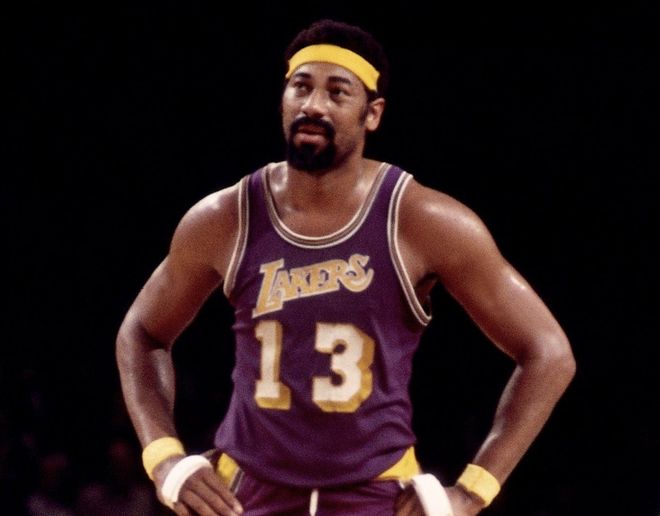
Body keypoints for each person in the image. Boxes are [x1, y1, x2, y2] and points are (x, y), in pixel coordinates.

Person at [116, 18, 575, 516]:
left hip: (377, 494)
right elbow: (142, 332)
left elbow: (549, 352)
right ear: (283, 98)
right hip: (245, 494)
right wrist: (165, 460)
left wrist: (472, 492)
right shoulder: (226, 216)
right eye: (301, 87)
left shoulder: (422, 219)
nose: (313, 105)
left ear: (372, 114)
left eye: (337, 92)